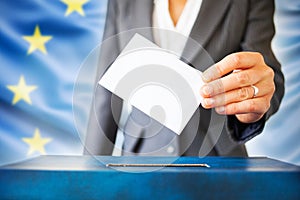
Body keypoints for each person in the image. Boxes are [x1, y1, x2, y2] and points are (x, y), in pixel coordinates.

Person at [84, 0, 284, 157]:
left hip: (217, 157)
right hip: (141, 155)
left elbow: (266, 74)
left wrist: (252, 100)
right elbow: (106, 86)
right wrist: (88, 177)